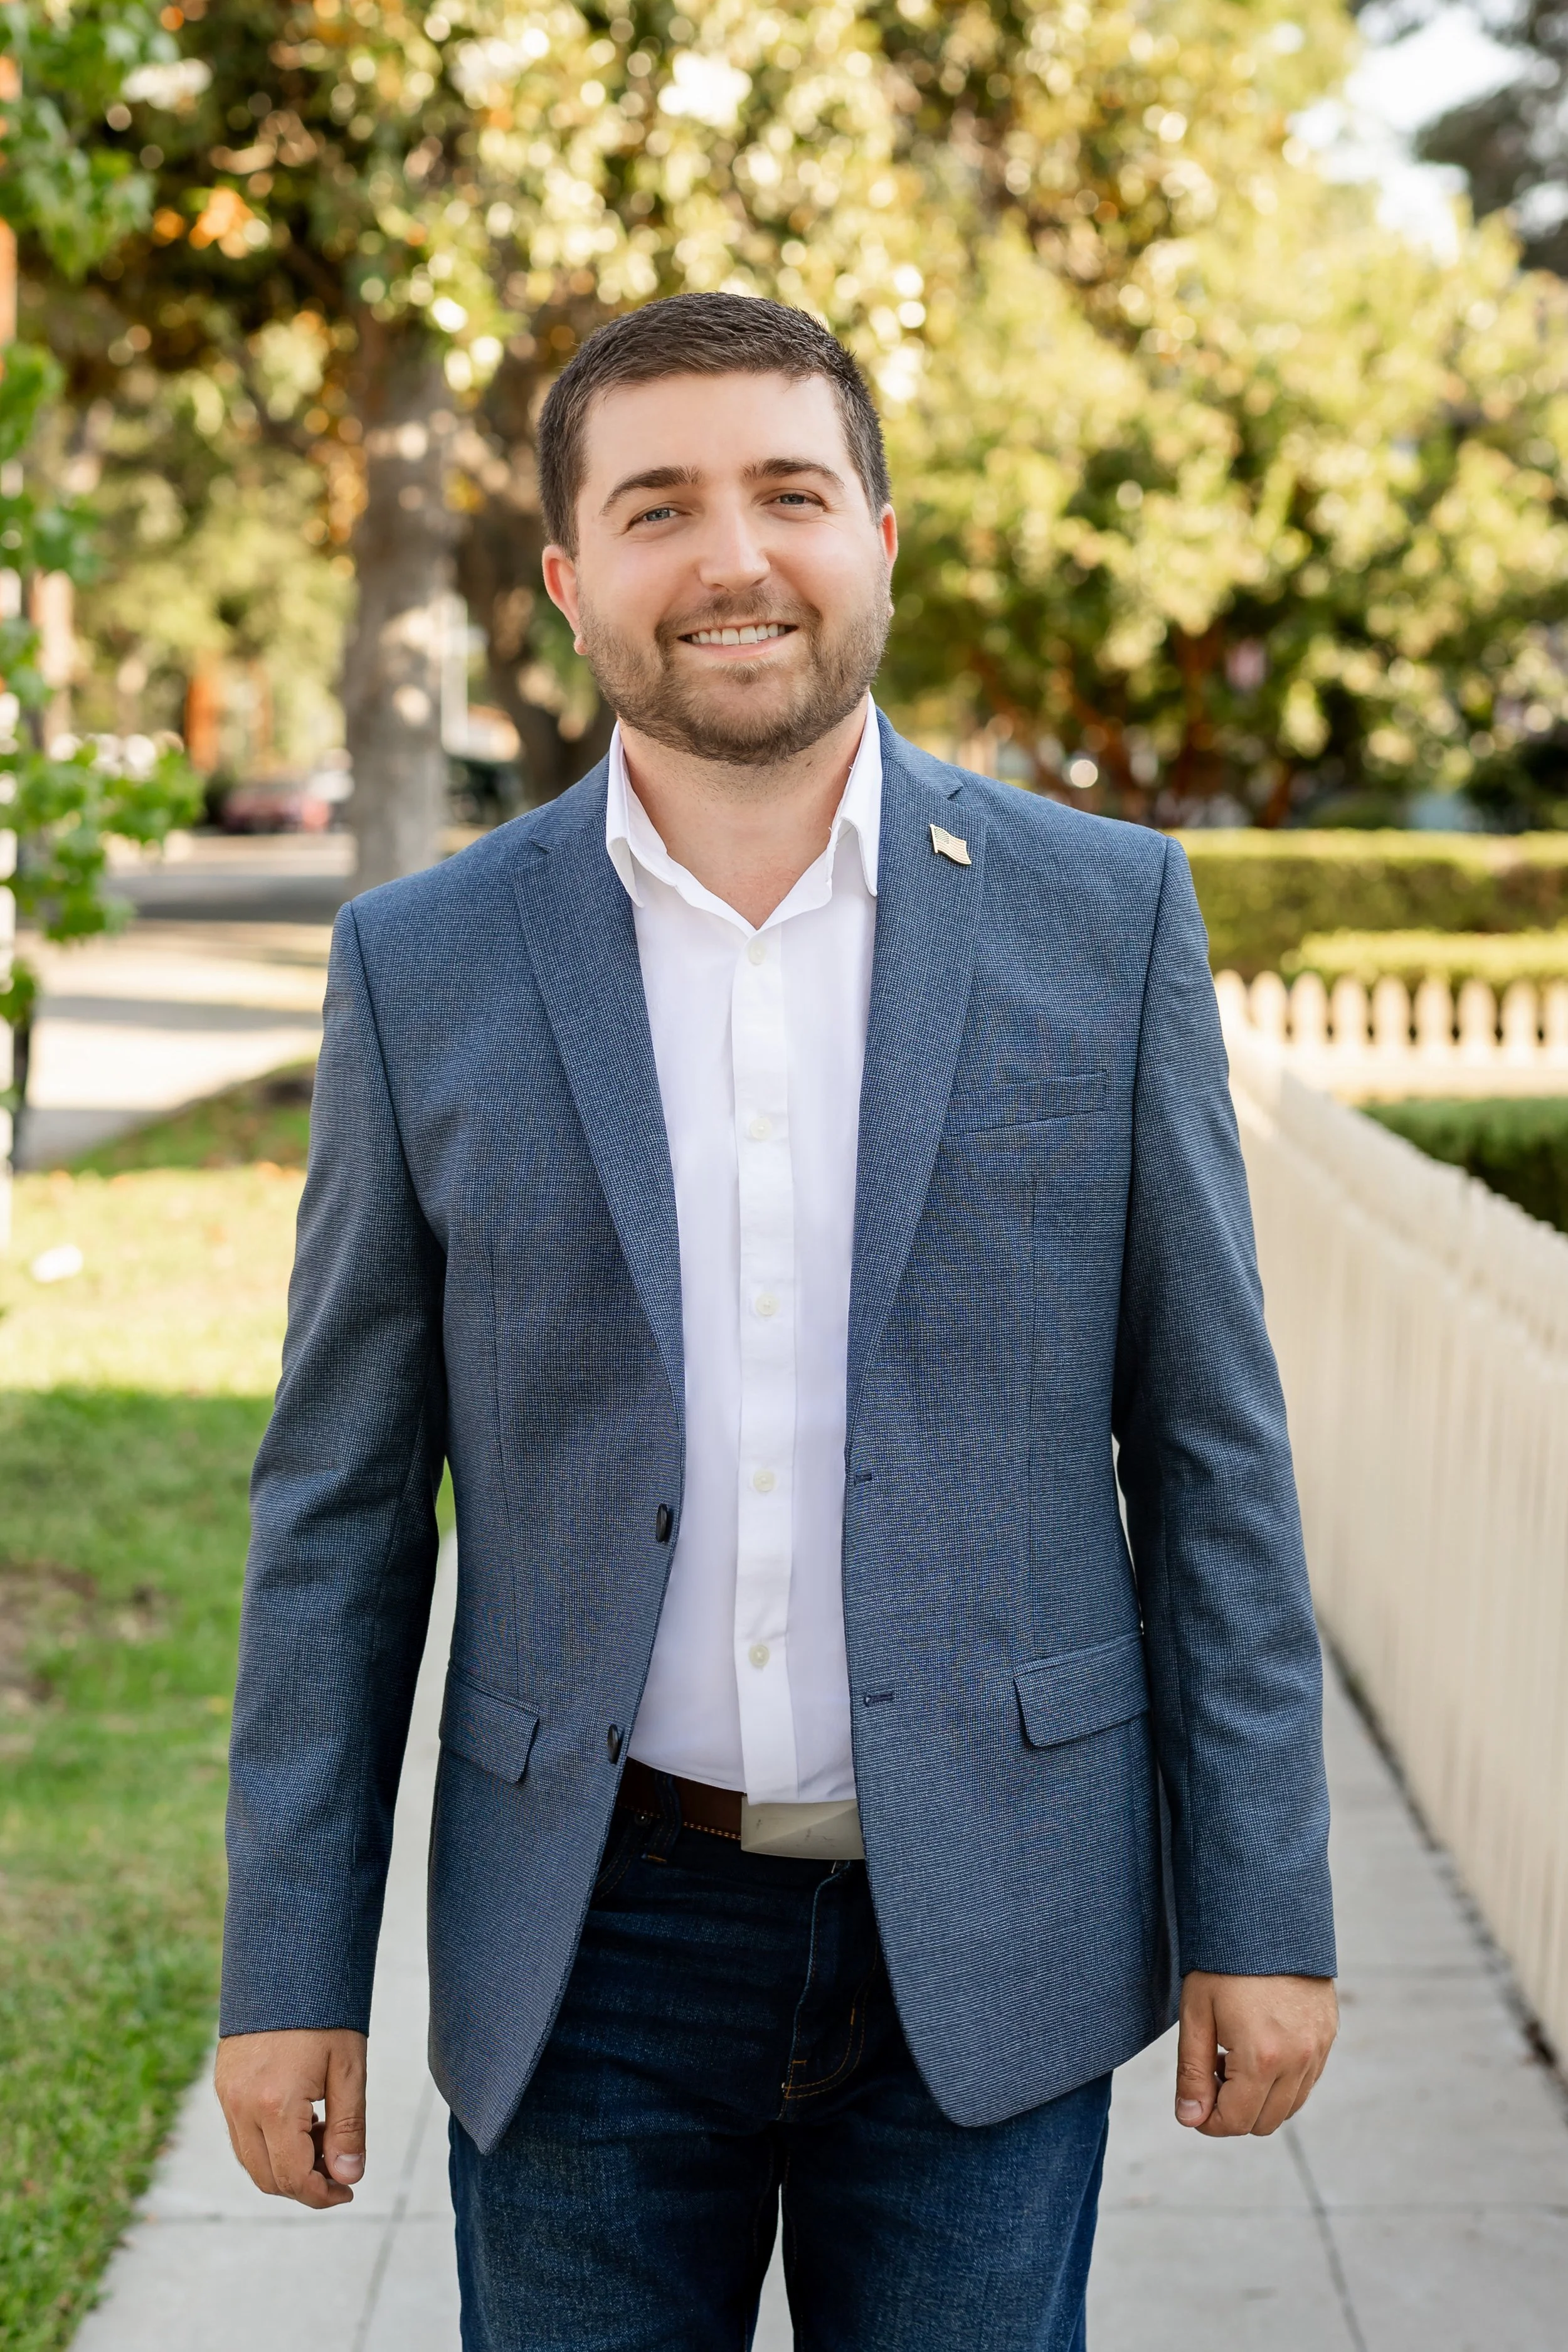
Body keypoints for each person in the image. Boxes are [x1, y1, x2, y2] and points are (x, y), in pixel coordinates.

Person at [215, 293, 1337, 2350]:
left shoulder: (1102, 925)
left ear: (880, 537)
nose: (731, 555)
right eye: (657, 506)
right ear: (570, 580)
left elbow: (1207, 1451)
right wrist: (289, 1967)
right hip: (590, 1939)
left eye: (788, 491)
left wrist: (1259, 1902)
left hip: (985, 1925)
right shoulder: (426, 966)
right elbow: (340, 1510)